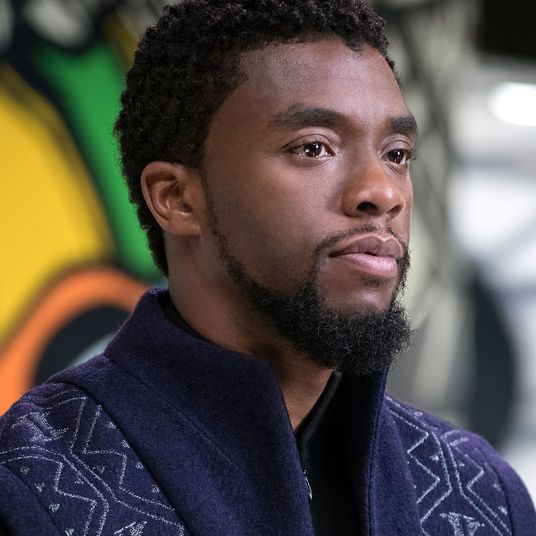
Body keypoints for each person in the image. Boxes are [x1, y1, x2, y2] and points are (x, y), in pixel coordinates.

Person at [0, 0, 534, 534]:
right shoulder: (30, 487)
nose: (382, 192)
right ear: (177, 198)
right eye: (315, 148)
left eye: (396, 154)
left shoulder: (481, 493)